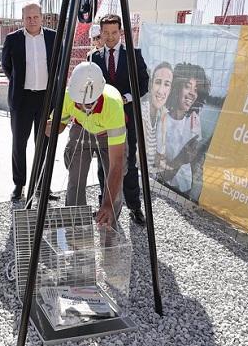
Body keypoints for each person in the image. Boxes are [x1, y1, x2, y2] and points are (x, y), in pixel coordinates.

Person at [47, 62, 127, 227]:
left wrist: (107, 203)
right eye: (81, 103)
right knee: (75, 179)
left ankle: (109, 219)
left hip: (107, 134)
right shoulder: (68, 97)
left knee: (115, 181)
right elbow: (58, 127)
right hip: (80, 128)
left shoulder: (113, 104)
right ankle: (76, 225)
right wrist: (51, 126)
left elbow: (116, 164)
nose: (85, 107)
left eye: (90, 103)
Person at [90, 14, 149, 226]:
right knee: (103, 163)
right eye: (106, 32)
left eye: (114, 32)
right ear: (101, 33)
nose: (110, 37)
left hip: (127, 118)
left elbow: (144, 84)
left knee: (128, 163)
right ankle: (104, 203)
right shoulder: (94, 57)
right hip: (103, 120)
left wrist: (124, 98)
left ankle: (134, 206)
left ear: (120, 33)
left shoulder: (133, 55)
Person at [1, 3, 56, 202]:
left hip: (46, 99)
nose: (32, 20)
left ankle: (42, 184)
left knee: (44, 143)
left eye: (35, 17)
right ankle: (19, 184)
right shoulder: (13, 39)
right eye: (28, 17)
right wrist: (20, 82)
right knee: (19, 143)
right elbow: (7, 66)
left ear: (42, 17)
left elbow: (58, 66)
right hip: (21, 99)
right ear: (22, 19)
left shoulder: (53, 37)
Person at [156, 62, 210, 195]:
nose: (192, 93)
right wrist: (181, 159)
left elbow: (196, 164)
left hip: (185, 189)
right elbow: (160, 172)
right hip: (164, 188)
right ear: (176, 88)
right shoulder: (162, 121)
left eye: (196, 90)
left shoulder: (194, 121)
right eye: (187, 87)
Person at [139, 62, 173, 176]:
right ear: (151, 85)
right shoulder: (140, 112)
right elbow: (138, 160)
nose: (161, 91)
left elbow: (161, 157)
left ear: (170, 90)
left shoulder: (163, 114)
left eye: (167, 84)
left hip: (153, 177)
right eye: (158, 82)